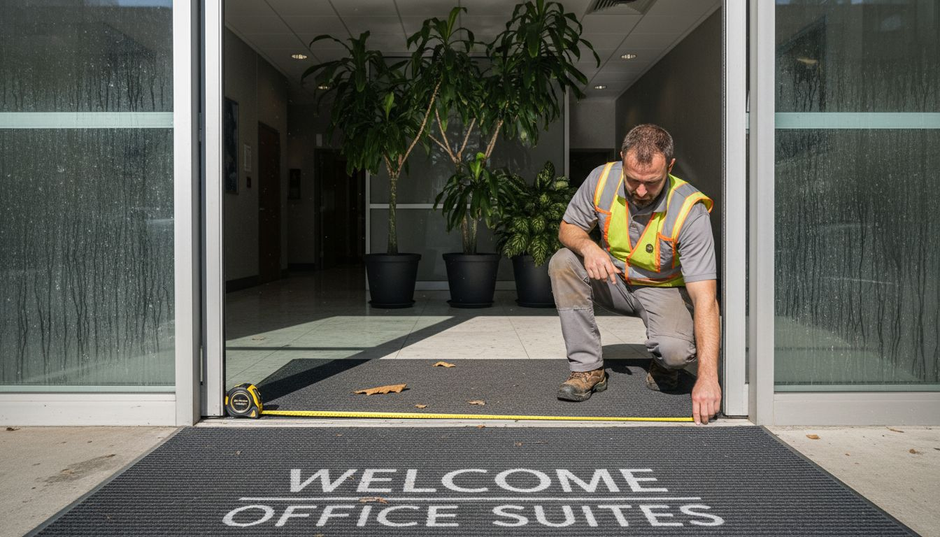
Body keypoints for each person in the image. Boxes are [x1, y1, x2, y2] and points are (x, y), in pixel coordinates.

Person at [548, 124, 721, 424]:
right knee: (563, 262)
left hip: (663, 290)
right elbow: (568, 228)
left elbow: (705, 298)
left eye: (651, 182)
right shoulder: (602, 179)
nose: (640, 191)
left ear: (670, 166)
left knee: (676, 352)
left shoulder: (689, 211)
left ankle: (665, 365)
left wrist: (707, 377)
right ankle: (588, 368)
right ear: (622, 159)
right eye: (633, 180)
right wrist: (591, 249)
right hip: (613, 279)